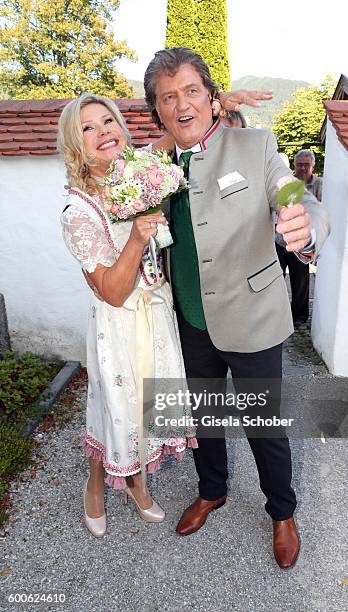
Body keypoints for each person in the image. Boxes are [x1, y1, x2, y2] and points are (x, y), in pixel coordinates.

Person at [144, 47, 330, 569]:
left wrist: (307, 223)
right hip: (189, 320)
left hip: (251, 316)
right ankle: (213, 490)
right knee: (205, 417)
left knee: (263, 426)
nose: (182, 104)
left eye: (191, 91)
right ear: (157, 110)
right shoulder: (150, 165)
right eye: (168, 97)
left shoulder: (254, 144)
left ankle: (282, 512)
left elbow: (294, 193)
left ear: (211, 96)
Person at [58, 88, 273, 538]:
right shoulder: (78, 209)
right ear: (75, 145)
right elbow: (112, 293)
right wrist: (136, 238)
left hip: (162, 316)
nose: (102, 132)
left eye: (108, 121)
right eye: (87, 128)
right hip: (122, 326)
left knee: (148, 414)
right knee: (115, 410)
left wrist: (212, 101)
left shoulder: (142, 169)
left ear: (122, 127)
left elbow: (182, 131)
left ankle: (137, 484)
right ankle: (95, 485)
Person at [275, 149, 323, 325]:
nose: (302, 168)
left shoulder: (319, 185)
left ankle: (299, 317)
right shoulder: (287, 182)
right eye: (299, 165)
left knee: (301, 281)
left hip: (302, 243)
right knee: (275, 280)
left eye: (306, 165)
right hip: (280, 240)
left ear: (313, 166)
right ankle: (277, 315)